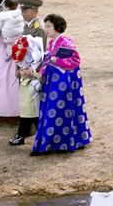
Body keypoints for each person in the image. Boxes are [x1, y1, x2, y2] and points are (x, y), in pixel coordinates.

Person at [31, 13, 92, 154]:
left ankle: (62, 142)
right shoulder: (52, 43)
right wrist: (42, 72)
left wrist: (55, 61)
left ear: (57, 27)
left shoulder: (66, 42)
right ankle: (53, 142)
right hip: (53, 80)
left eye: (48, 27)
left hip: (64, 81)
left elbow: (75, 60)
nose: (46, 29)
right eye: (45, 26)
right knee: (53, 110)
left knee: (60, 110)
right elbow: (48, 61)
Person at [9, 0, 46, 145]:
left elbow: (40, 53)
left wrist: (32, 71)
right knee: (28, 104)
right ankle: (32, 134)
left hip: (32, 71)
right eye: (22, 10)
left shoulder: (38, 28)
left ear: (35, 10)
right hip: (27, 69)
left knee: (31, 104)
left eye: (26, 10)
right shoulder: (29, 26)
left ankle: (24, 134)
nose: (23, 13)